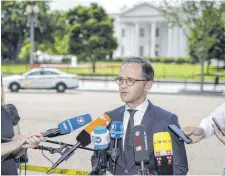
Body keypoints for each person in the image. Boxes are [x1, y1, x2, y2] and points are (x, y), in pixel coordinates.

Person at [91, 57, 188, 175]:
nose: (123, 85)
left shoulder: (166, 120)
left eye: (130, 80)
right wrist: (102, 171)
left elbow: (179, 168)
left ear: (147, 85)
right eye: (120, 79)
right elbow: (97, 158)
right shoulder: (109, 118)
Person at [1, 77, 45, 175]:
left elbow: (16, 153)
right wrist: (20, 141)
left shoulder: (9, 111)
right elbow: (16, 142)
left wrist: (27, 144)